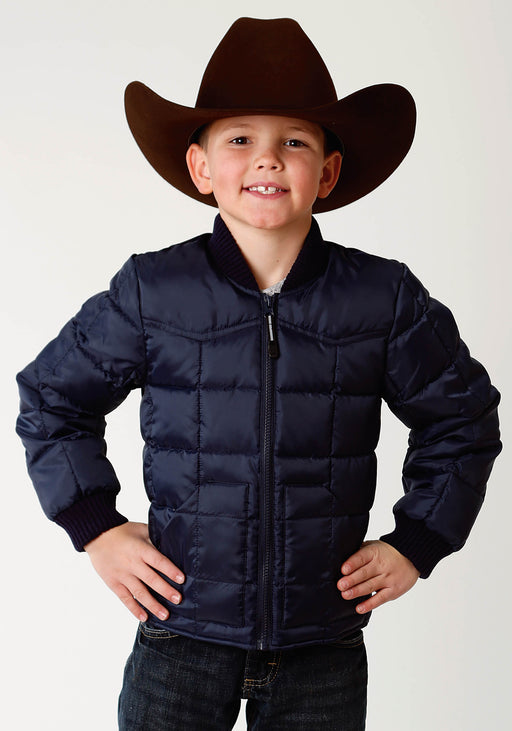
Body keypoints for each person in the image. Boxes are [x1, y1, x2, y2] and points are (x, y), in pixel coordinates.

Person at [16, 17, 501, 731]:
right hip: (180, 633)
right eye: (240, 140)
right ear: (201, 168)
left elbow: (463, 420)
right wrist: (97, 527)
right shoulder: (154, 291)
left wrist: (416, 542)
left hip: (322, 646)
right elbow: (52, 398)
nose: (267, 159)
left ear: (327, 173)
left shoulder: (383, 298)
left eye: (294, 142)